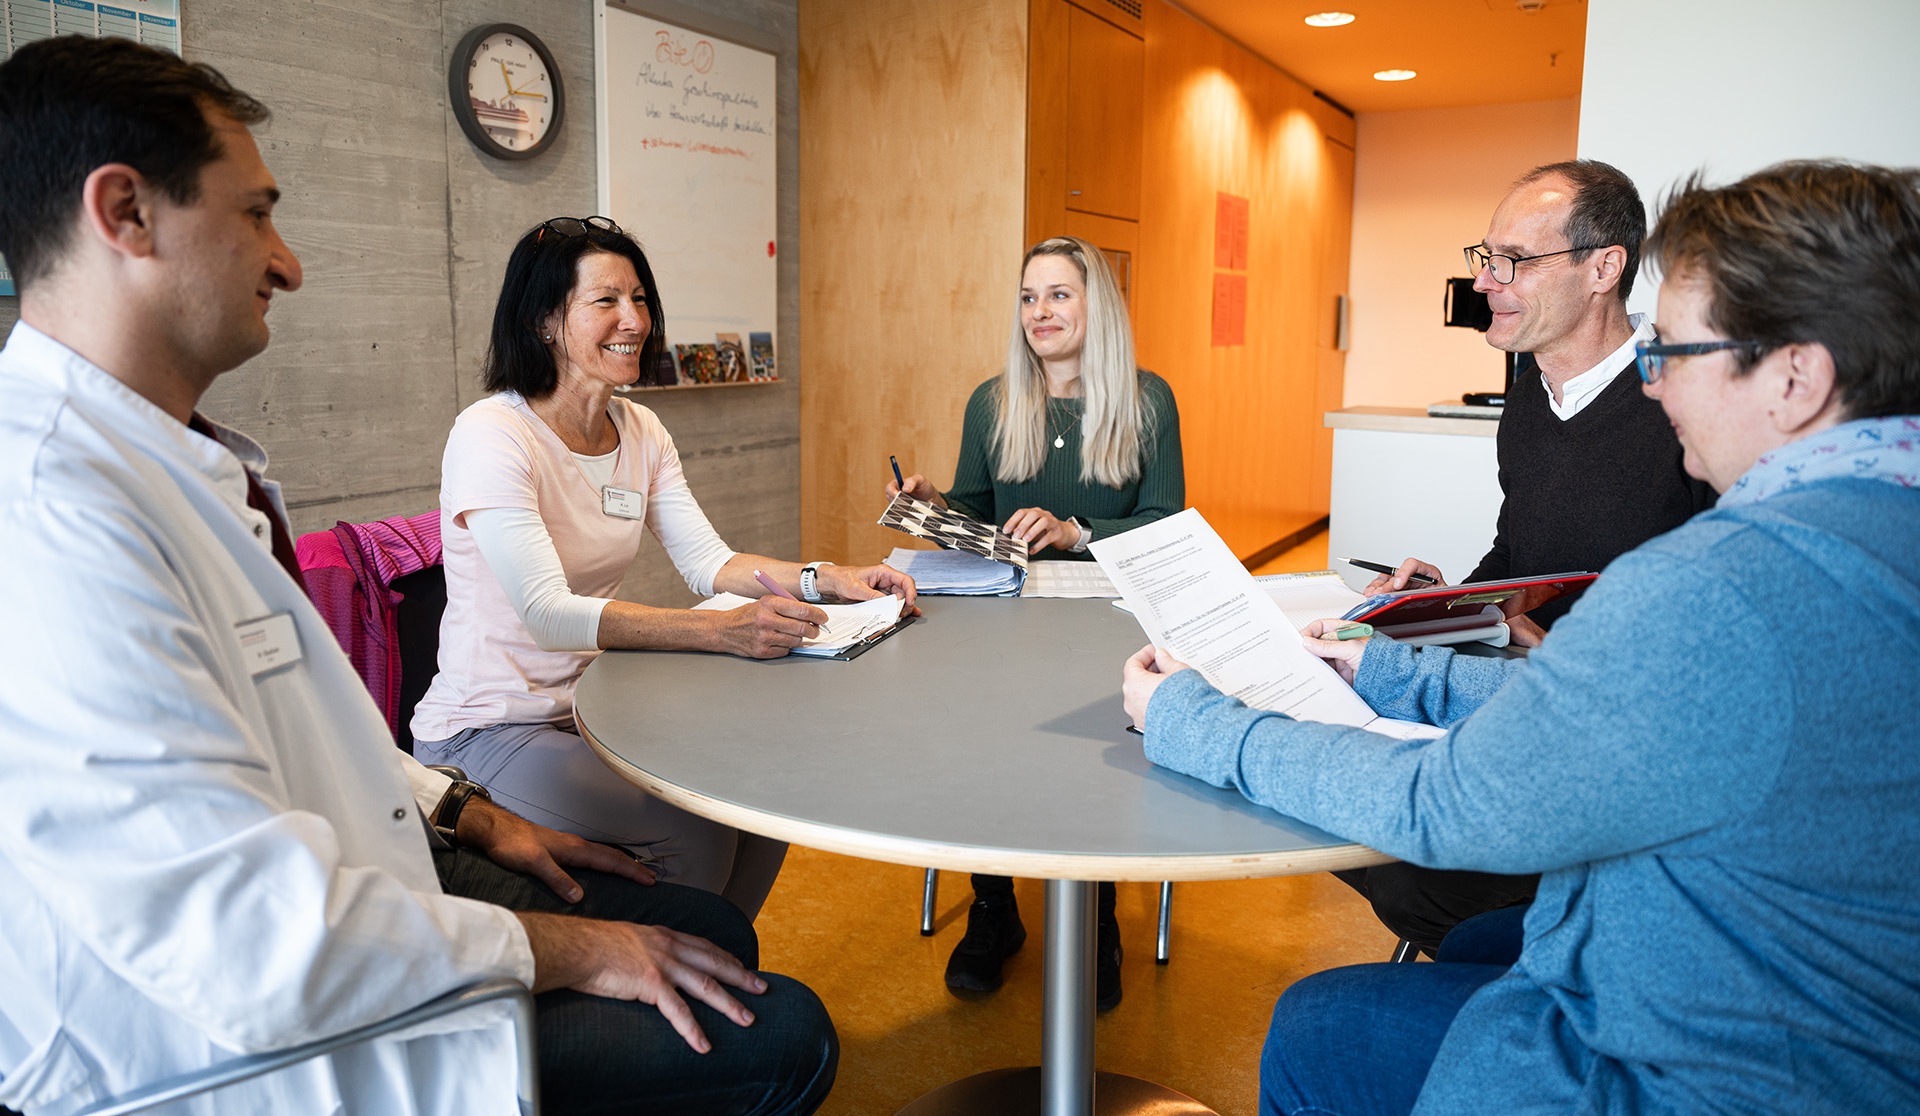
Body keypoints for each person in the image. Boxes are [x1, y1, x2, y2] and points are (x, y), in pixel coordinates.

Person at [0, 35, 836, 1114]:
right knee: (781, 1030)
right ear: (125, 213)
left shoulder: (180, 466)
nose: (288, 260)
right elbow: (249, 947)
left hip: (383, 860)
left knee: (711, 922)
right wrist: (572, 949)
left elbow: (310, 730)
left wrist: (471, 817)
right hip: (227, 1051)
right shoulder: (50, 515)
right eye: (256, 213)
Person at [1123, 160, 1920, 1116]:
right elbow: (1642, 700)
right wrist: (1384, 666)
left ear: (1796, 377)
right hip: (1828, 1014)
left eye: (1674, 354)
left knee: (1315, 1023)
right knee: (1472, 947)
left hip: (1709, 1069)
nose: (1657, 390)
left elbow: (1448, 801)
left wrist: (1198, 718)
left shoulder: (1714, 585)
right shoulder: (1871, 534)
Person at [410, 216, 916, 923]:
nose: (635, 319)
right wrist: (721, 633)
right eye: (606, 300)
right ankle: (683, 983)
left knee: (764, 792)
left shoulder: (640, 429)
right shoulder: (493, 434)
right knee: (693, 823)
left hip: (589, 707)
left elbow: (709, 562)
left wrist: (824, 576)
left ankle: (714, 965)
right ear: (544, 321)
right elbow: (548, 614)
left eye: (640, 298)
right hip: (488, 730)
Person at [1341, 159, 1716, 957]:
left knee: (1407, 872)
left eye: (1514, 260)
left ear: (1603, 268)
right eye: (1485, 256)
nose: (1485, 281)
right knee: (1338, 763)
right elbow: (1520, 549)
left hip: (1603, 760)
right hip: (1508, 699)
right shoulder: (1527, 397)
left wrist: (1553, 657)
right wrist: (1445, 606)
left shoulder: (1683, 416)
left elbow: (1700, 646)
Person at [889, 235, 1183, 1011]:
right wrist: (930, 507)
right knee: (981, 742)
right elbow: (978, 514)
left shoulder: (1148, 401)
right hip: (1006, 614)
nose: (1039, 312)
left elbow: (1165, 522)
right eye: (1028, 296)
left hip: (1106, 616)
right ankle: (995, 909)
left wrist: (1077, 529)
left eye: (1058, 294)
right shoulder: (993, 401)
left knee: (1103, 760)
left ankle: (1098, 916)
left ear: (1097, 307)